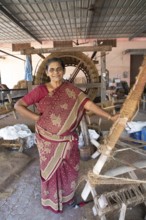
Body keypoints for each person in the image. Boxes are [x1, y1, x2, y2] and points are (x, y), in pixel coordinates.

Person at [14, 57, 119, 213]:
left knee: (68, 170)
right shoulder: (41, 90)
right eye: (52, 69)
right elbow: (18, 105)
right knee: (50, 170)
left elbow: (88, 104)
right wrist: (37, 118)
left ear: (63, 71)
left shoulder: (71, 90)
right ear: (48, 73)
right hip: (47, 139)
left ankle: (67, 198)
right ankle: (51, 201)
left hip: (67, 140)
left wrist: (109, 117)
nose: (55, 72)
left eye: (58, 69)